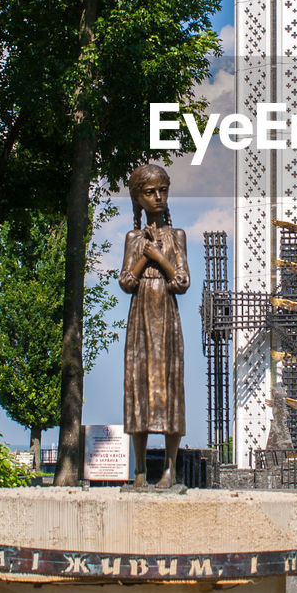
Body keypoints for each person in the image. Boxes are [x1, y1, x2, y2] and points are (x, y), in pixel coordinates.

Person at [119, 163, 188, 489]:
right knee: (139, 389)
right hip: (141, 320)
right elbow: (127, 281)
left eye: (163, 190)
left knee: (170, 389)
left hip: (167, 318)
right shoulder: (133, 238)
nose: (158, 197)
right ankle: (140, 471)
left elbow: (182, 281)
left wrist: (159, 257)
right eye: (150, 192)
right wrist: (144, 254)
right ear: (138, 198)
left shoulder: (177, 237)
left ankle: (171, 471)